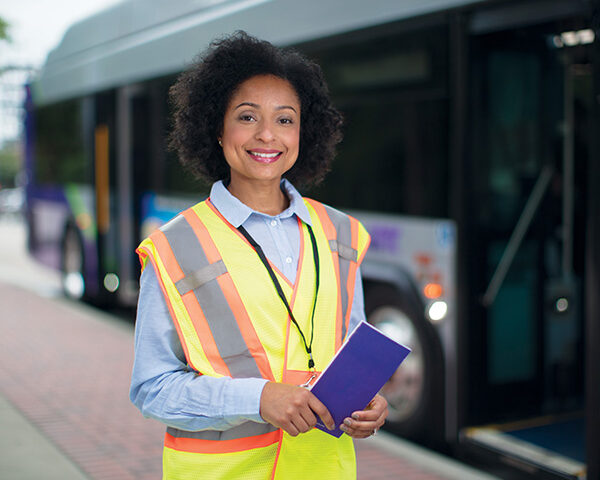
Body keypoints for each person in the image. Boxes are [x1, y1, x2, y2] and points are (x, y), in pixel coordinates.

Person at [130, 31, 388, 480]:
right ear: (217, 127)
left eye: (285, 119)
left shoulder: (342, 234)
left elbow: (350, 356)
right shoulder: (175, 246)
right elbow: (152, 390)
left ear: (304, 131)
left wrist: (367, 404)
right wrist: (258, 398)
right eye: (247, 117)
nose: (267, 135)